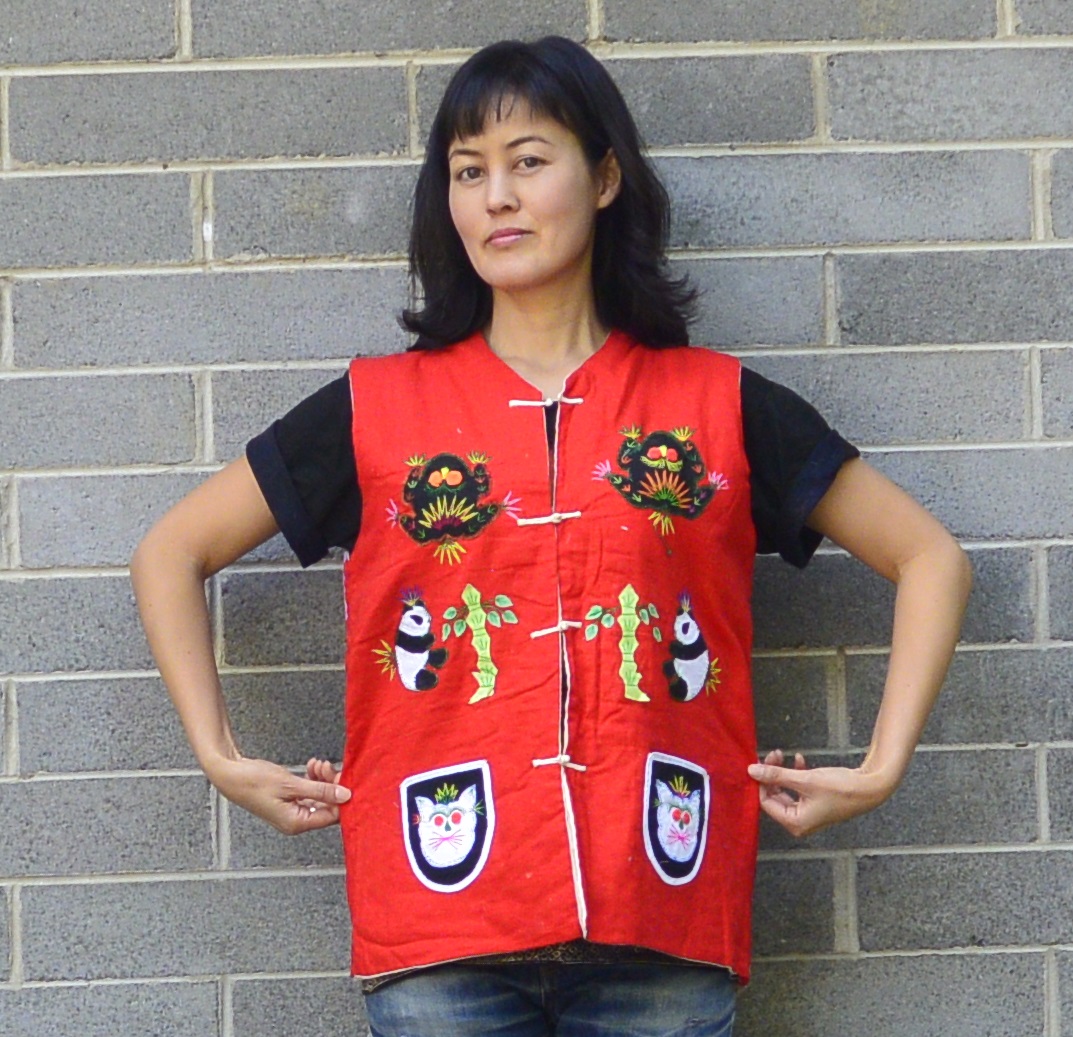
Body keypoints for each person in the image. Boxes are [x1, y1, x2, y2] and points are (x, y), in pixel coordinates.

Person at [131, 36, 972, 1037]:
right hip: (440, 926)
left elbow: (928, 555)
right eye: (467, 171)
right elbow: (171, 551)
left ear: (604, 177)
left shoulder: (713, 404)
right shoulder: (375, 410)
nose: (497, 197)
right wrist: (222, 755)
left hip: (661, 918)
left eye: (528, 161)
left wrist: (878, 766)